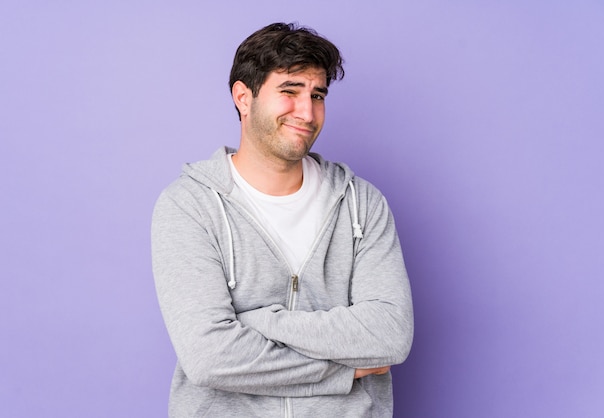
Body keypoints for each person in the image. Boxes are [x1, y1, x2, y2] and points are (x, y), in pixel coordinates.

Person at [151, 22, 414, 417]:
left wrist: (261, 322)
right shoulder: (189, 205)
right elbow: (209, 357)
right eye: (289, 91)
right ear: (244, 97)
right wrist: (343, 371)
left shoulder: (362, 204)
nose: (307, 112)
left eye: (317, 95)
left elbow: (390, 335)